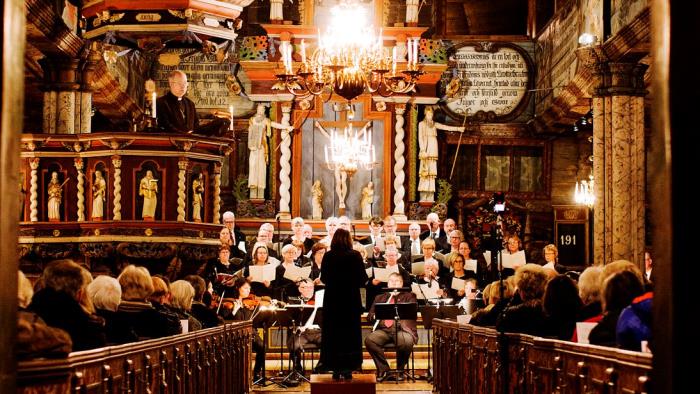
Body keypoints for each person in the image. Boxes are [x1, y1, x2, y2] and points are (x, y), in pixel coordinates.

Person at [319, 228, 369, 380]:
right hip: (350, 301)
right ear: (348, 240)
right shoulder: (355, 256)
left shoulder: (328, 256)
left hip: (332, 301)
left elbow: (324, 279)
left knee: (333, 334)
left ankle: (334, 368)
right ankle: (348, 368)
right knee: (350, 334)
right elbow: (363, 279)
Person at [365, 272, 418, 382]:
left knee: (407, 341)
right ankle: (385, 370)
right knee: (370, 340)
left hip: (401, 329)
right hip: (383, 329)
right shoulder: (379, 297)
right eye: (391, 281)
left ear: (402, 283)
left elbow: (412, 314)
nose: (394, 284)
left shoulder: (409, 296)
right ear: (388, 284)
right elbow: (370, 316)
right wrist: (376, 315)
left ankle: (400, 370)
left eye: (397, 281)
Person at [156, 70, 229, 136]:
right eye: (180, 83)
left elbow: (196, 127)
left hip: (192, 143)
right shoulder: (161, 103)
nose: (183, 86)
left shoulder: (190, 104)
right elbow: (166, 126)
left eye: (185, 83)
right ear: (171, 84)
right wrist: (185, 135)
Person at [417, 107, 464, 202]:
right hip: (425, 150)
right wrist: (422, 150)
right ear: (425, 114)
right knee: (424, 172)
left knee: (432, 173)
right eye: (428, 114)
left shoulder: (434, 124)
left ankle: (430, 197)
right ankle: (423, 196)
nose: (430, 116)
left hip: (433, 148)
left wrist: (458, 129)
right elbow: (420, 138)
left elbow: (445, 127)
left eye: (431, 115)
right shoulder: (421, 124)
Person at [247, 103, 294, 199]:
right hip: (253, 148)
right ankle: (252, 191)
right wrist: (251, 145)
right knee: (253, 167)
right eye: (260, 109)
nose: (261, 111)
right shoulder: (252, 120)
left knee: (261, 168)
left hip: (262, 148)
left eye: (263, 110)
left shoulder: (266, 121)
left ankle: (260, 192)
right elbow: (250, 134)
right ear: (257, 110)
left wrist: (286, 127)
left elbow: (275, 125)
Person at [287, 279, 323, 373]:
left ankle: (320, 367)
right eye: (304, 287)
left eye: (311, 287)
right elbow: (290, 321)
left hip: (318, 332)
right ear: (299, 289)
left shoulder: (320, 301)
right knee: (293, 345)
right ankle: (298, 368)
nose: (308, 289)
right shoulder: (294, 303)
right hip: (302, 333)